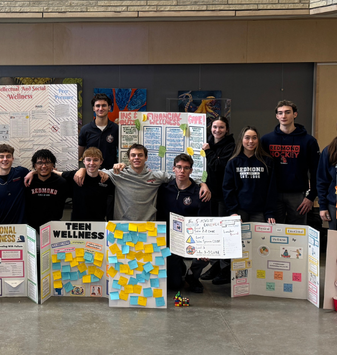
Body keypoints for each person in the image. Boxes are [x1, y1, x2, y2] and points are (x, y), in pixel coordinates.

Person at [86, 144, 210, 222]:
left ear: (146, 158)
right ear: (128, 158)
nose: (136, 158)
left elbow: (181, 176)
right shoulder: (118, 173)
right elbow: (93, 171)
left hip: (148, 226)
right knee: (122, 262)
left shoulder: (156, 177)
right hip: (122, 224)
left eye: (140, 155)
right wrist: (81, 169)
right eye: (133, 155)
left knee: (146, 263)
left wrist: (202, 183)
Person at [156, 154, 210, 293]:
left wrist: (203, 246)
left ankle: (193, 275)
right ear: (173, 168)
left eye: (186, 168)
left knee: (207, 255)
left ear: (191, 171)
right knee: (174, 284)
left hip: (190, 237)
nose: (182, 171)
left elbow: (204, 221)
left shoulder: (200, 192)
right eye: (179, 167)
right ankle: (179, 266)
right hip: (169, 238)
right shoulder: (163, 189)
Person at [260, 100, 320, 225]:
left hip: (297, 195)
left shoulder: (309, 141)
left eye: (287, 112)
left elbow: (316, 171)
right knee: (274, 231)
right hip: (273, 194)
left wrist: (311, 197)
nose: (284, 116)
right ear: (276, 116)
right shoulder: (266, 140)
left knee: (298, 232)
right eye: (280, 113)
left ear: (295, 114)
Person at [223, 126, 278, 223]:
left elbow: (271, 189)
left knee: (260, 238)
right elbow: (228, 188)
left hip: (260, 211)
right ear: (242, 140)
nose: (251, 141)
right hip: (239, 210)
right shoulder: (233, 162)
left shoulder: (267, 161)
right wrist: (232, 211)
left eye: (254, 138)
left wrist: (270, 212)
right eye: (247, 137)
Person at [202, 116, 236, 216]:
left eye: (221, 127)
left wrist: (208, 152)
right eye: (215, 127)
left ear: (227, 130)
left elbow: (219, 166)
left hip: (222, 193)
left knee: (220, 222)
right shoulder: (206, 142)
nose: (217, 130)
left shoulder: (231, 146)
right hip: (207, 190)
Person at [69, 148, 115, 221]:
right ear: (84, 161)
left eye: (96, 160)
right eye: (88, 160)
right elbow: (59, 174)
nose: (92, 163)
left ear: (101, 162)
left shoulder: (106, 180)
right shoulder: (75, 176)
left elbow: (111, 204)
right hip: (78, 223)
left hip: (99, 222)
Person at [78, 93, 119, 169]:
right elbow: (78, 155)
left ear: (109, 107)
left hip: (111, 173)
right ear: (93, 108)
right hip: (91, 172)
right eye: (97, 106)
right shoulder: (85, 129)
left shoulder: (116, 129)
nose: (100, 108)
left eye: (104, 105)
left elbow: (123, 152)